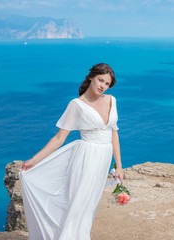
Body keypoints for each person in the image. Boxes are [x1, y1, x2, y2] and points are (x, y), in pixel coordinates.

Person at [18, 63, 123, 240]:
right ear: (91, 77)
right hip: (86, 158)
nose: (102, 86)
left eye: (106, 83)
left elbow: (114, 135)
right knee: (78, 204)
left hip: (103, 160)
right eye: (100, 80)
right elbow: (59, 138)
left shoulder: (111, 100)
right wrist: (34, 160)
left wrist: (119, 166)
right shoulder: (76, 105)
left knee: (89, 205)